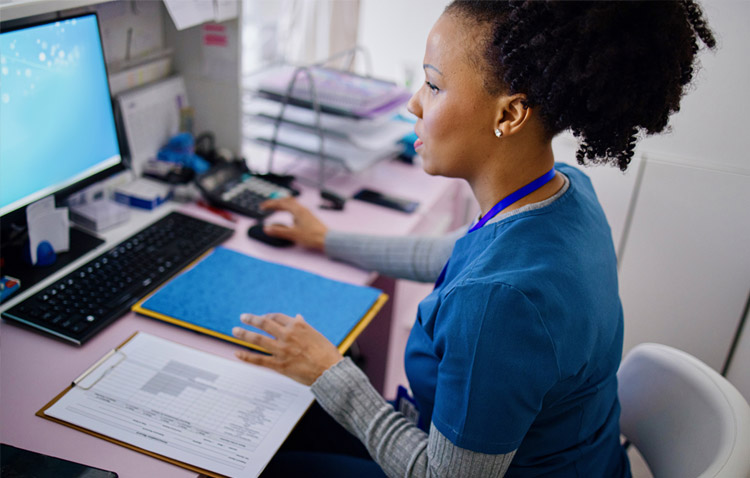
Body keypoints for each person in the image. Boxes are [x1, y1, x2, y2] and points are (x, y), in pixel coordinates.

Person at [232, 1, 716, 476]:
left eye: (434, 84)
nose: (414, 101)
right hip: (585, 461)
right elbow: (452, 255)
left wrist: (327, 371)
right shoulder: (565, 194)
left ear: (509, 116)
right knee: (278, 421)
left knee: (265, 458)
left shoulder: (498, 303)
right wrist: (327, 238)